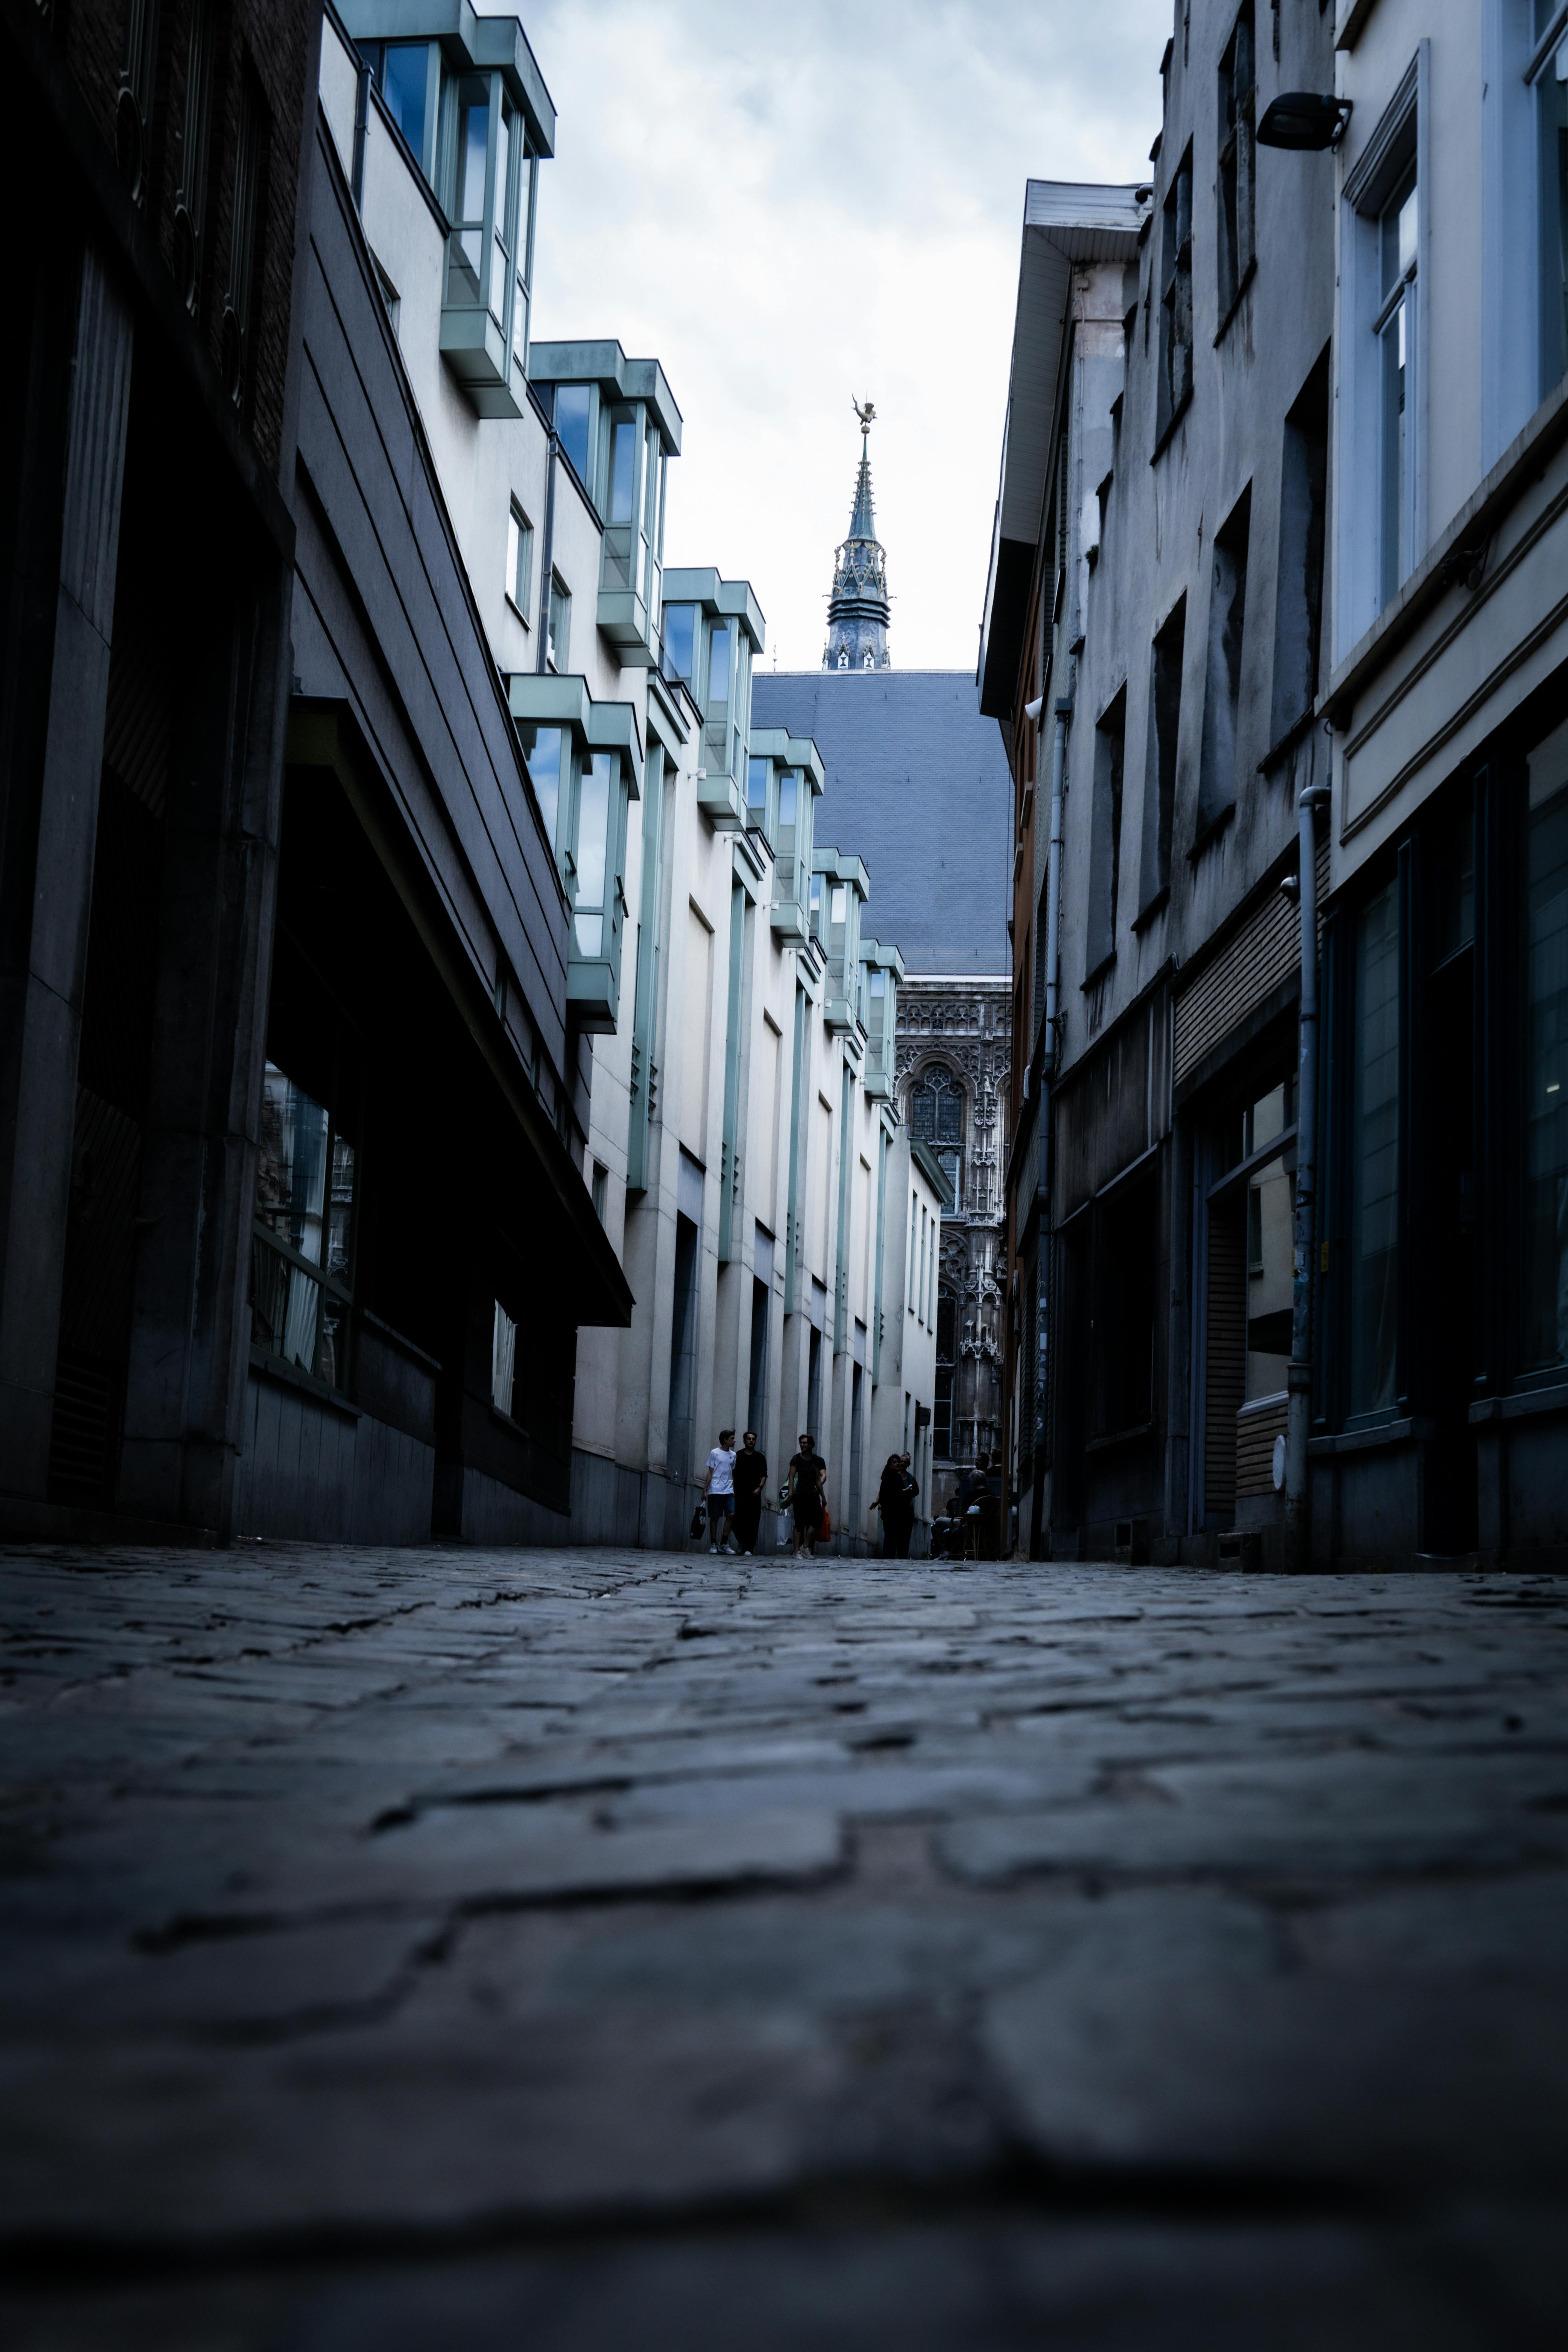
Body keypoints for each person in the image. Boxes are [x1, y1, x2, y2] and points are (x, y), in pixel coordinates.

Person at [784, 1432, 826, 1558]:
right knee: (799, 1523)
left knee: (818, 1520)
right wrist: (790, 1494)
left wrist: (823, 1497)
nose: (803, 1445)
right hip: (799, 1495)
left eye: (805, 1443)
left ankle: (805, 1546)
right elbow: (791, 1477)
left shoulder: (816, 1460)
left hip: (813, 1495)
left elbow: (819, 1480)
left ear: (811, 1445)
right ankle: (797, 1551)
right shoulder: (796, 1459)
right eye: (801, 1443)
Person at [731, 1430, 768, 1555]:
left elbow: (764, 1475)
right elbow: (732, 1473)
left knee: (753, 1522)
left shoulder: (760, 1457)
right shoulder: (738, 1456)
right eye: (749, 1439)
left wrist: (760, 1488)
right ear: (745, 1441)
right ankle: (741, 1542)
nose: (751, 1441)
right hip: (740, 1493)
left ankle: (749, 1548)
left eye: (753, 1439)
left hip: (754, 1494)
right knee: (736, 1520)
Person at [701, 1430, 737, 1552]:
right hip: (716, 1489)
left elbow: (732, 1473)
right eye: (732, 1438)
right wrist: (705, 1490)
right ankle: (713, 1544)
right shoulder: (715, 1453)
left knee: (731, 1514)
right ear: (725, 1440)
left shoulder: (734, 1455)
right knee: (715, 1517)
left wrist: (734, 1488)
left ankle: (724, 1543)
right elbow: (710, 1472)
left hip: (728, 1490)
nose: (734, 1441)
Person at [877, 1452, 915, 1559]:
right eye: (895, 1462)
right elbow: (890, 1494)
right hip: (890, 1513)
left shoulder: (898, 1477)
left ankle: (892, 1557)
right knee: (890, 1538)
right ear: (890, 1465)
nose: (898, 1464)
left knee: (895, 1538)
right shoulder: (887, 1477)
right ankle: (888, 1557)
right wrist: (905, 1491)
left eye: (899, 1462)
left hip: (899, 1514)